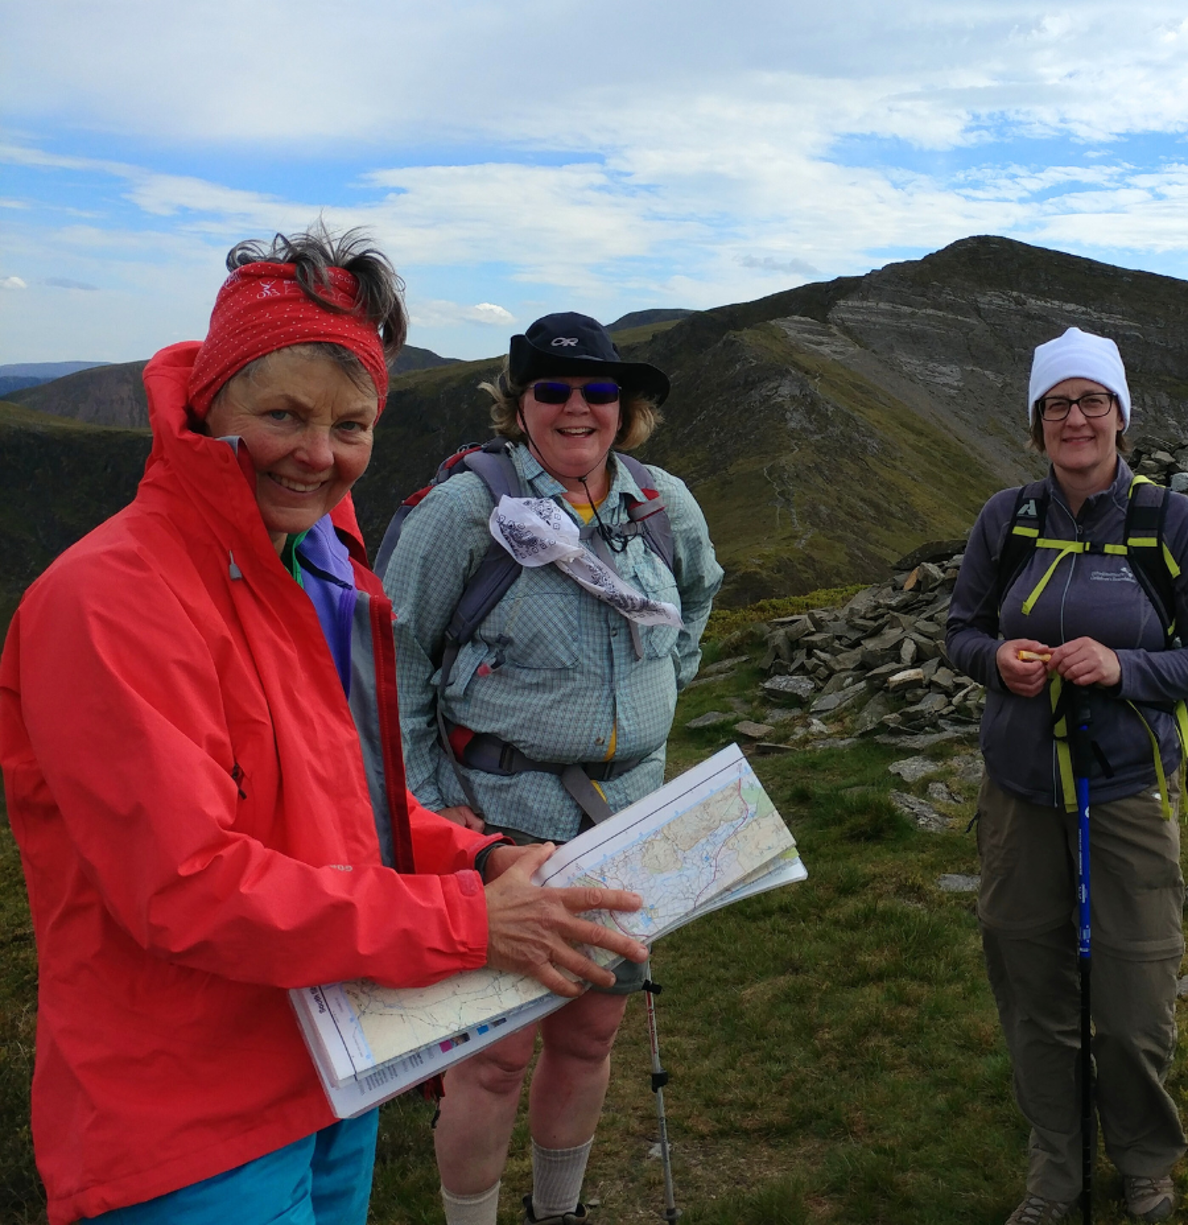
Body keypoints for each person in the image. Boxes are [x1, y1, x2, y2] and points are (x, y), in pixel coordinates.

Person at [0, 226, 648, 1225]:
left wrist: (477, 860)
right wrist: (467, 923)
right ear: (211, 403)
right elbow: (188, 889)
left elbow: (341, 807)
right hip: (184, 1122)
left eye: (352, 424)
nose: (318, 454)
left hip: (332, 1066)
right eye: (283, 414)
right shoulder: (108, 601)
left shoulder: (310, 572)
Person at [383, 311, 722, 1225]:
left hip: (626, 825)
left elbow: (698, 593)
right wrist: (441, 823)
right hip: (502, 830)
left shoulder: (659, 503)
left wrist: (663, 687)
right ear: (518, 402)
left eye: (599, 391)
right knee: (491, 1054)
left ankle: (557, 1212)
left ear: (627, 406)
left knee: (590, 1030)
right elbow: (396, 663)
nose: (578, 408)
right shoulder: (463, 512)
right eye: (553, 390)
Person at [947, 326, 1188, 1225]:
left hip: (1125, 791)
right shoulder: (1006, 519)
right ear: (1038, 424)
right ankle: (1055, 1171)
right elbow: (959, 632)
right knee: (1033, 988)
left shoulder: (1169, 522)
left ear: (1121, 416)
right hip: (1021, 789)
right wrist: (1001, 662)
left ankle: (1147, 1163)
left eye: (1092, 401)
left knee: (1136, 991)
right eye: (1058, 405)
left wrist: (1124, 670)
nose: (1076, 418)